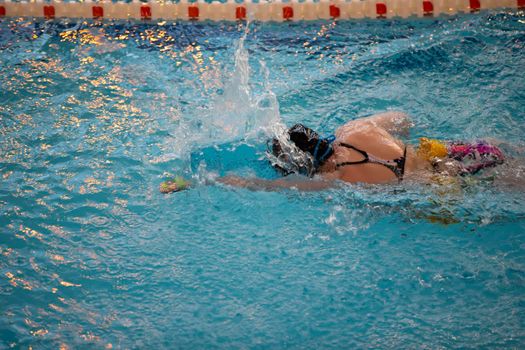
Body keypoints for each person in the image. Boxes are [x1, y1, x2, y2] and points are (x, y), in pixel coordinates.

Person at [216, 111, 507, 191]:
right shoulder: (354, 128)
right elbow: (402, 118)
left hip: (447, 187)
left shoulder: (333, 181)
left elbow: (271, 187)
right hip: (448, 153)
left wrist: (230, 181)